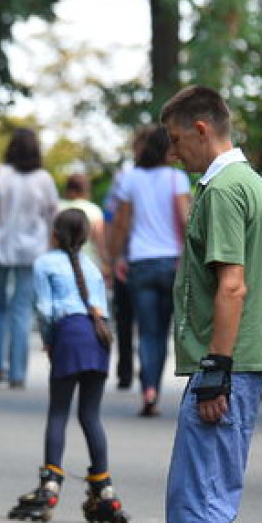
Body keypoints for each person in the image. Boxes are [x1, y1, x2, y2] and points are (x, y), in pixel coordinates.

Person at [152, 86, 262, 523]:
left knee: (202, 485)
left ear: (202, 129)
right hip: (234, 360)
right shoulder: (245, 184)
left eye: (177, 141)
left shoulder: (227, 190)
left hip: (228, 362)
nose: (174, 153)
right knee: (203, 482)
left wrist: (217, 369)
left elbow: (232, 285)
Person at [7, 208, 128, 523]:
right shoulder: (90, 266)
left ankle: (50, 483)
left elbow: (46, 310)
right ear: (86, 236)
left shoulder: (45, 263)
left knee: (58, 412)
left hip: (71, 334)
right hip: (99, 335)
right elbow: (103, 308)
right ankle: (103, 487)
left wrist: (49, 342)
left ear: (56, 234)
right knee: (90, 414)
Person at [108, 124, 191, 417]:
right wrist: (189, 255)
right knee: (163, 330)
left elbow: (121, 222)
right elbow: (185, 218)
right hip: (171, 263)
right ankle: (153, 384)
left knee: (146, 330)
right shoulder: (176, 178)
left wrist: (116, 257)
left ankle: (147, 389)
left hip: (140, 263)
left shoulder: (131, 179)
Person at [0, 127, 58, 389]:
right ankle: (18, 373)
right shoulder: (43, 179)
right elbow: (52, 214)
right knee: (22, 310)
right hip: (33, 251)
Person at [102, 127, 149, 391]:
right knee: (149, 321)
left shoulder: (124, 179)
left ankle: (125, 372)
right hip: (156, 259)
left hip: (128, 256)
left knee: (125, 318)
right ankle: (148, 374)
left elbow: (112, 218)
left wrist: (111, 255)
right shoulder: (174, 179)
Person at [58, 173, 108, 274]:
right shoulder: (93, 210)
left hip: (60, 264)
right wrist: (105, 263)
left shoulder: (57, 208)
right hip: (88, 263)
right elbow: (99, 241)